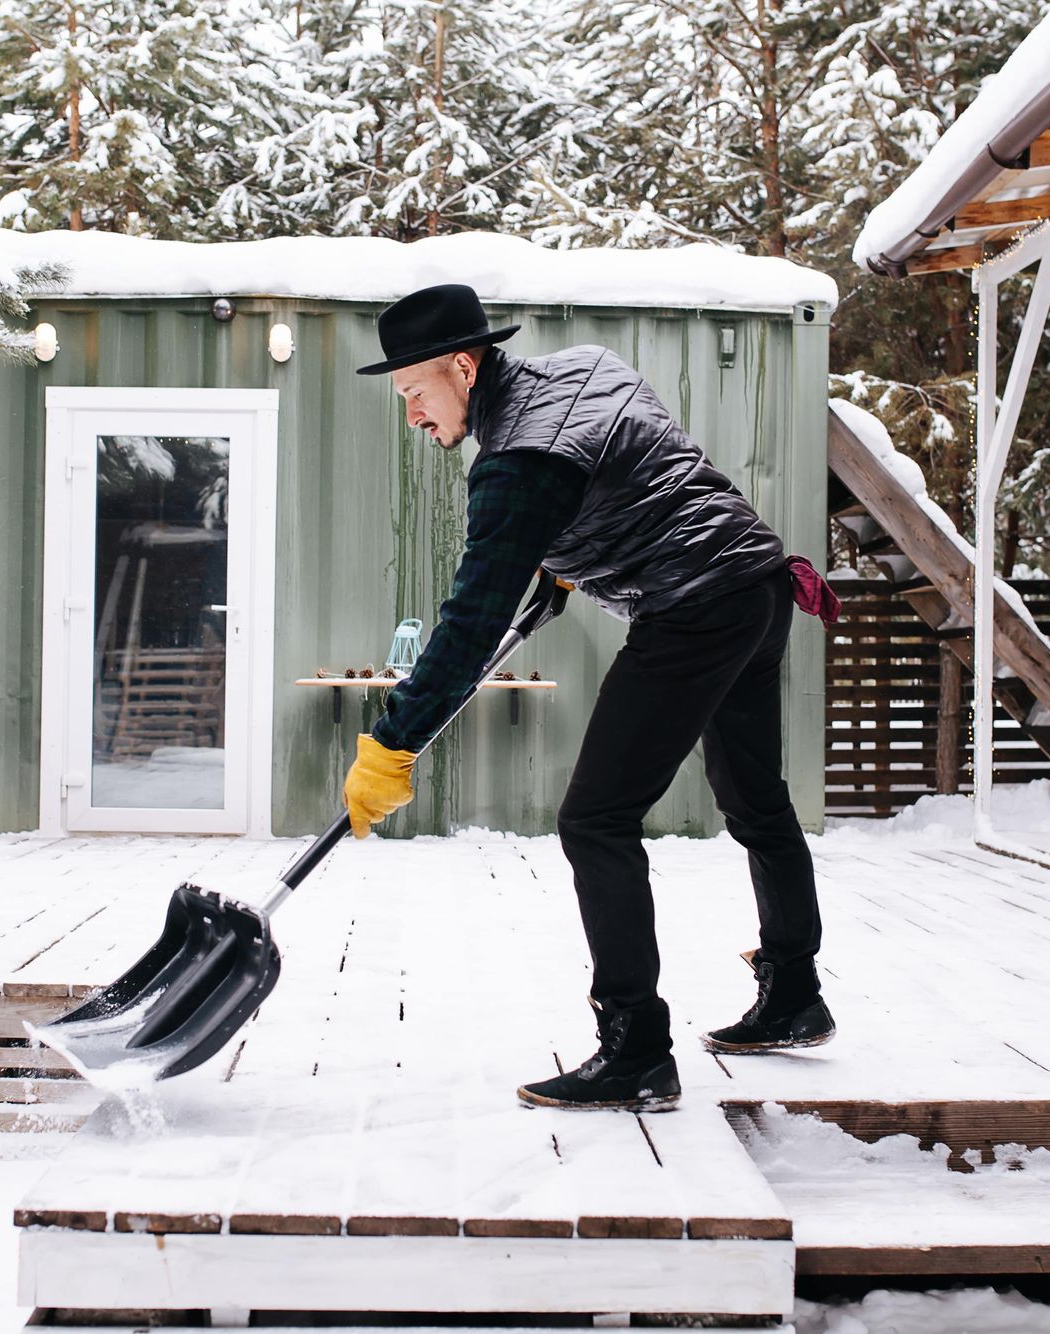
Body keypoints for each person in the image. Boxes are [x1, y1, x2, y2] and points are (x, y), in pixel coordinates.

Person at [344, 283, 835, 1113]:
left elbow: (469, 624)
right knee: (755, 800)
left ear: (464, 368)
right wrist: (566, 561)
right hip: (755, 586)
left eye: (415, 394)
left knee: (596, 819)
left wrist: (395, 738)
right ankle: (794, 994)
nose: (413, 417)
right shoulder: (584, 369)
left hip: (692, 605)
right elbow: (636, 468)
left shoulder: (519, 464)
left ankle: (636, 1047)